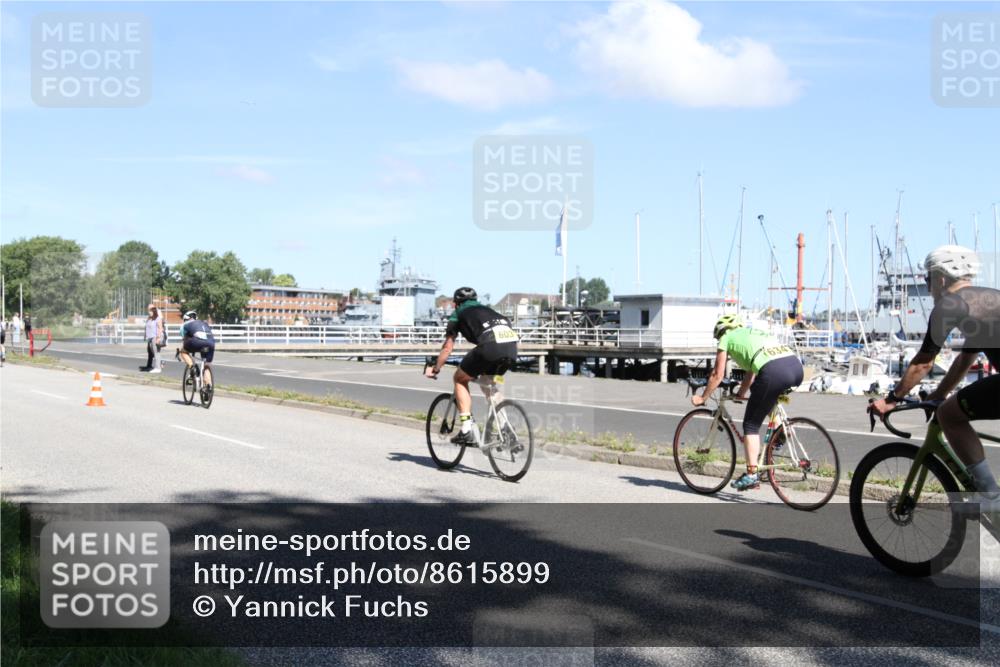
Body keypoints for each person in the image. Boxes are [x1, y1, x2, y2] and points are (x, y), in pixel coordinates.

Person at [871, 245, 1000, 506]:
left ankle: (990, 496)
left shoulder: (950, 305)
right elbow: (967, 356)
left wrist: (892, 399)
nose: (928, 287)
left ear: (941, 278)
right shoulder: (990, 298)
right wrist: (940, 394)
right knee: (948, 407)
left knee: (949, 416)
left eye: (927, 279)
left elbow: (923, 363)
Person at [692, 314, 804, 490]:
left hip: (773, 371)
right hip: (795, 367)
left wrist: (702, 397)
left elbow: (717, 375)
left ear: (722, 331)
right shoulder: (754, 333)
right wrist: (741, 393)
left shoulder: (726, 338)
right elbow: (751, 372)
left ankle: (752, 475)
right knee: (762, 393)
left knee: (750, 425)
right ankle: (783, 429)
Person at [424, 287, 519, 445]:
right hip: (511, 349)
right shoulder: (489, 311)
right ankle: (506, 429)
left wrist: (436, 368)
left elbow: (447, 347)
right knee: (489, 385)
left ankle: (467, 429)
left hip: (490, 347)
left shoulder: (459, 313)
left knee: (459, 379)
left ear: (456, 304)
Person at [177, 310, 215, 388]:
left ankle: (192, 367)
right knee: (206, 364)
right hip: (211, 343)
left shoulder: (185, 324)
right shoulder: (204, 323)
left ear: (185, 319)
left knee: (183, 351)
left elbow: (184, 339)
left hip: (197, 342)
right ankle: (208, 386)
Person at [142, 305, 162, 373]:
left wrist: (158, 338)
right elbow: (147, 327)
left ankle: (158, 368)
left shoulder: (157, 318)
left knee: (156, 352)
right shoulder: (149, 319)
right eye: (149, 311)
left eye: (150, 311)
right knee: (151, 352)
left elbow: (160, 328)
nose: (149, 312)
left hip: (155, 337)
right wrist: (145, 335)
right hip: (150, 338)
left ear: (154, 312)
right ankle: (152, 365)